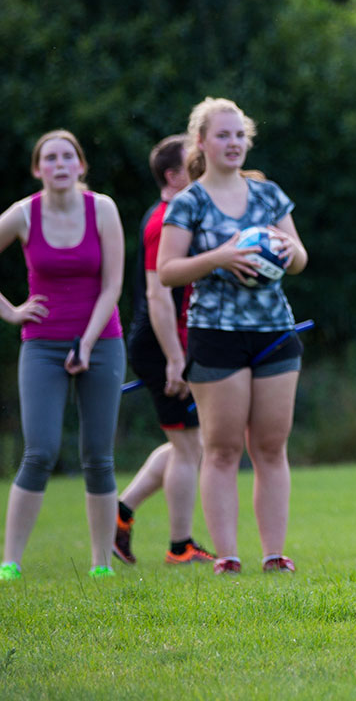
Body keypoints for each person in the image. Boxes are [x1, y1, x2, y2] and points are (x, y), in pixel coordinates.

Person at [157, 98, 308, 575]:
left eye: (240, 135)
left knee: (270, 445)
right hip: (216, 335)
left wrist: (288, 250)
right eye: (223, 135)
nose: (233, 143)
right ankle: (228, 556)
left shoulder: (268, 195)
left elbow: (301, 257)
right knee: (222, 448)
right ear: (201, 141)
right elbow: (167, 271)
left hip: (274, 334)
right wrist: (219, 257)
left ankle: (274, 554)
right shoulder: (189, 202)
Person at [0, 130, 126, 580]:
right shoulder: (22, 215)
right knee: (40, 450)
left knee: (98, 455)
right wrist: (13, 312)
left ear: (81, 166)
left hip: (102, 341)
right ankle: (9, 561)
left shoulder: (103, 209)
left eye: (67, 157)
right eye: (49, 158)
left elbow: (113, 284)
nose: (59, 164)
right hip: (43, 345)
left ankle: (101, 565)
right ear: (37, 169)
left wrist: (88, 343)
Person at [114, 135, 215, 566]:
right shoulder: (166, 218)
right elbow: (158, 296)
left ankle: (120, 513)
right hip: (162, 345)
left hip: (172, 344)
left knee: (188, 444)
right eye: (194, 161)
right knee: (190, 448)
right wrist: (175, 359)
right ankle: (180, 547)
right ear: (174, 176)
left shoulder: (181, 214)